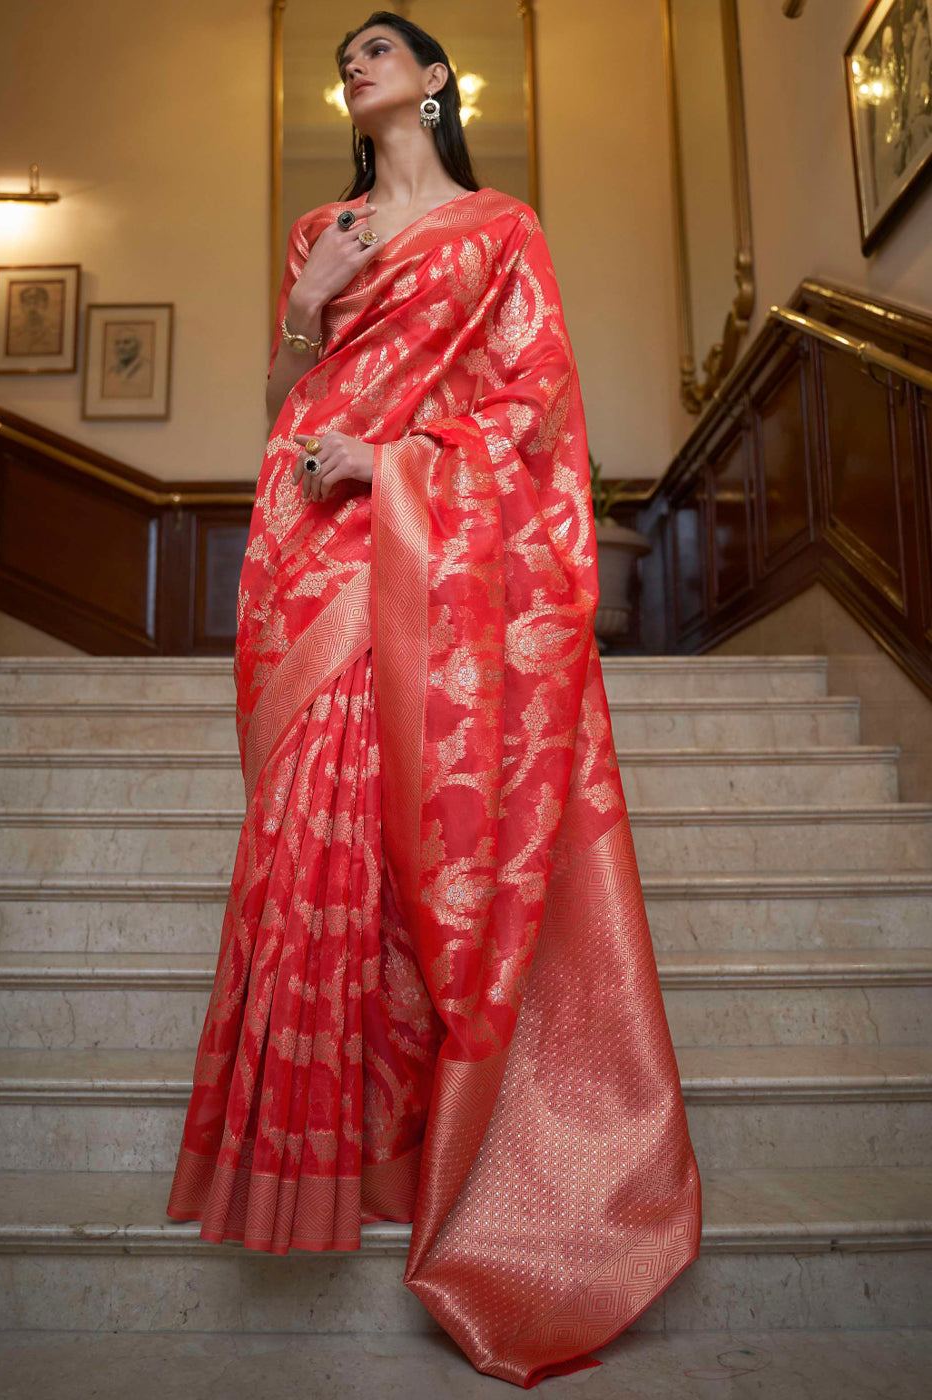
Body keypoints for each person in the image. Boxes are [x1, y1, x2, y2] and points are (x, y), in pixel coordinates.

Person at [166, 9, 701, 1386]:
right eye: (341, 56)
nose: (356, 65)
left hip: (414, 542)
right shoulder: (319, 235)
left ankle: (443, 1158)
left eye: (380, 49)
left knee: (411, 836)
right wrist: (303, 311)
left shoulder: (502, 230)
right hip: (310, 553)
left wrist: (393, 458)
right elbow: (282, 403)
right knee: (308, 832)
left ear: (437, 80)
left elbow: (533, 411)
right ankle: (298, 1164)